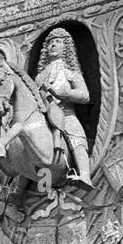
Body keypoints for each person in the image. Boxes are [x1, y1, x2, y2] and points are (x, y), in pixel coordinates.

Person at [34, 27, 92, 186]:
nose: (52, 45)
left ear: (66, 47)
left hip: (66, 114)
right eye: (50, 42)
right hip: (44, 118)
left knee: (76, 137)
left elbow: (85, 95)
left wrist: (64, 93)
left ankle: (85, 176)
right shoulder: (39, 76)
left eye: (57, 42)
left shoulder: (70, 71)